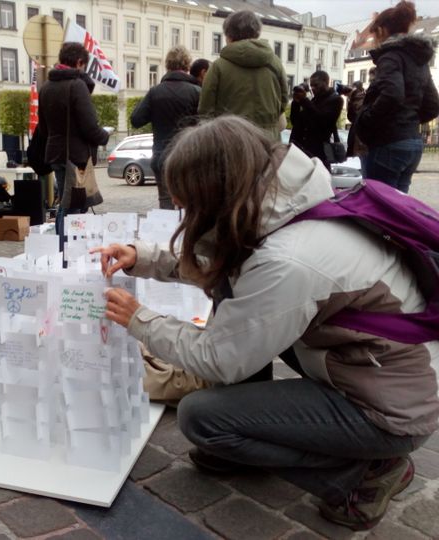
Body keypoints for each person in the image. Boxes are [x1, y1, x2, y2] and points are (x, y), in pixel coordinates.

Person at [93, 115, 437, 531]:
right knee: (232, 296)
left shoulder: (288, 259)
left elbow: (221, 358)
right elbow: (226, 264)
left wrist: (140, 320)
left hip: (391, 409)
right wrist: (144, 257)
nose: (183, 209)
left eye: (188, 199)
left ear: (215, 192)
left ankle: (363, 476)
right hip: (370, 365)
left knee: (201, 418)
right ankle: (252, 435)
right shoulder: (285, 204)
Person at [356, 0, 439, 193]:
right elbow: (433, 104)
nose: (375, 40)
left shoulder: (391, 56)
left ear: (383, 30)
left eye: (375, 33)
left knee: (380, 207)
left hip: (387, 142)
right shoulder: (419, 59)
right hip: (412, 143)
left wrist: (366, 121)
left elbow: (392, 94)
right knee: (399, 208)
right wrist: (409, 119)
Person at [36, 42, 110, 243]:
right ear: (79, 62)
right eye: (83, 66)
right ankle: (65, 252)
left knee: (70, 202)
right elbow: (89, 126)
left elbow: (42, 129)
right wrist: (104, 136)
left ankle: (67, 248)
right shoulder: (76, 86)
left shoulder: (45, 88)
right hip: (74, 156)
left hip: (56, 154)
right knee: (72, 207)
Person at [198, 10, 288, 140]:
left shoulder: (218, 67)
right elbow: (283, 100)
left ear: (229, 35)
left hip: (230, 141)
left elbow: (205, 110)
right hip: (268, 141)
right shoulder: (275, 63)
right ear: (257, 32)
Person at [131, 46, 201, 209]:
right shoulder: (197, 92)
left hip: (161, 156)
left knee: (165, 202)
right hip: (189, 157)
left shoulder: (155, 92)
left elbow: (136, 119)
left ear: (167, 66)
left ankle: (166, 233)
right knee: (189, 203)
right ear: (187, 66)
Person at [289, 71, 343, 170]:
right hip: (302, 151)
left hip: (318, 153)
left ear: (326, 82)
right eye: (311, 85)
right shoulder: (313, 100)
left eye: (316, 85)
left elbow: (322, 120)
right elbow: (295, 122)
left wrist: (304, 101)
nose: (313, 88)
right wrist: (296, 103)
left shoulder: (335, 100)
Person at [346, 79, 369, 175]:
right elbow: (351, 117)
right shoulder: (355, 99)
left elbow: (359, 113)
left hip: (361, 144)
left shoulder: (364, 98)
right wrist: (350, 101)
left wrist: (354, 96)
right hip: (355, 141)